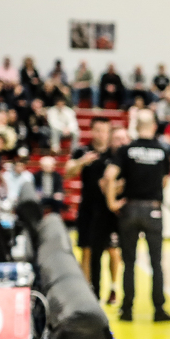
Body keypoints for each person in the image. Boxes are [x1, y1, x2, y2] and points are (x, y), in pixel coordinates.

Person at [103, 112, 170, 323]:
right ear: (154, 126)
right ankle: (159, 310)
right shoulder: (162, 150)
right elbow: (165, 181)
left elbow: (109, 176)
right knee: (156, 263)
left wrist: (111, 202)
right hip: (153, 210)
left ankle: (127, 309)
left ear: (135, 126)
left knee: (129, 262)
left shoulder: (127, 150)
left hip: (130, 209)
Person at [68, 119, 120, 301]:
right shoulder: (83, 151)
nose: (101, 134)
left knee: (113, 250)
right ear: (91, 131)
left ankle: (113, 287)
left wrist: (112, 188)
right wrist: (82, 162)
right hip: (88, 209)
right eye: (97, 130)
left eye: (104, 131)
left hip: (109, 211)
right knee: (87, 249)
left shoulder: (115, 154)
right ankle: (87, 289)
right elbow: (68, 172)